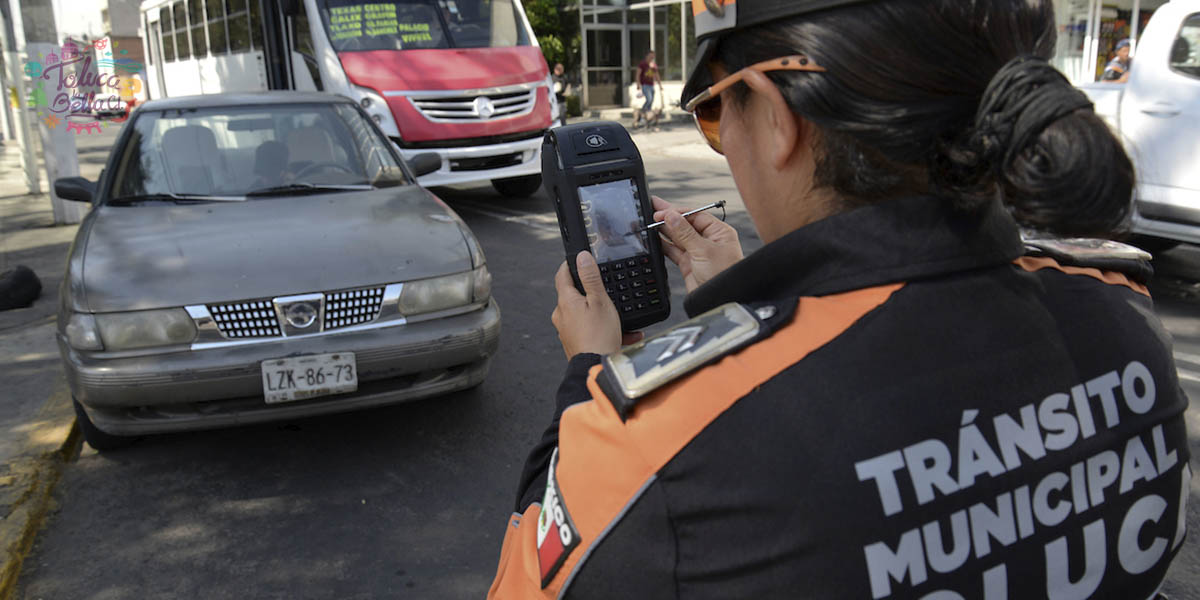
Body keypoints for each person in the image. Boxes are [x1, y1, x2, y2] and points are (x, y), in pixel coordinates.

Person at [488, 1, 1189, 598]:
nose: (723, 142)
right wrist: (756, 327)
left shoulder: (657, 439)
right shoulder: (1121, 314)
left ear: (774, 115)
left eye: (713, 113)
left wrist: (586, 383)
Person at [632, 51, 661, 129]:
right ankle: (642, 115)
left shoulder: (653, 65)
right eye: (650, 56)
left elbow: (656, 75)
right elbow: (638, 74)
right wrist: (638, 84)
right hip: (645, 85)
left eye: (653, 57)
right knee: (649, 99)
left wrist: (660, 84)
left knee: (651, 101)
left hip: (651, 85)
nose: (652, 58)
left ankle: (646, 118)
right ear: (647, 56)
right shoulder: (642, 64)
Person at [552, 63, 568, 127]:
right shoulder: (552, 78)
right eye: (560, 69)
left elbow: (567, 85)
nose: (561, 71)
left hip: (562, 100)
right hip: (556, 101)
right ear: (556, 70)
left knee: (563, 118)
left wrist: (566, 92)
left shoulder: (564, 77)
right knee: (558, 119)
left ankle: (564, 130)